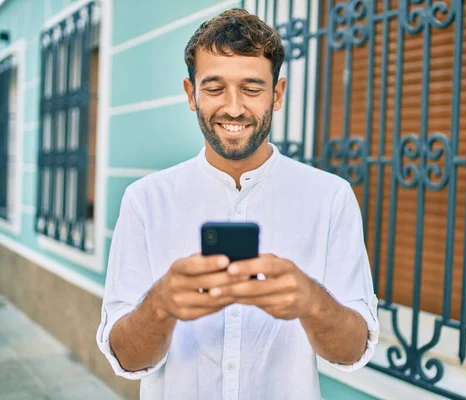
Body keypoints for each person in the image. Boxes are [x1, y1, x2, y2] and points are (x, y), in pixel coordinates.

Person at [96, 8, 379, 400]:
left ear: (276, 95)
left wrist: (312, 302)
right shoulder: (145, 200)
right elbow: (126, 359)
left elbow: (350, 352)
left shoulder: (330, 197)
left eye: (251, 88)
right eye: (213, 89)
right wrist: (161, 305)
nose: (233, 108)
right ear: (190, 94)